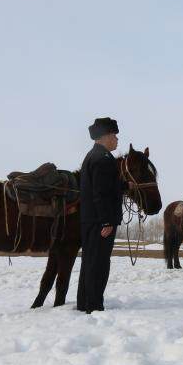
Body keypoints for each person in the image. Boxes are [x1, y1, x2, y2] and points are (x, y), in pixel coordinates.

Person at [77, 117, 133, 313]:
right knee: (98, 263)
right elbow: (99, 193)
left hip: (91, 219)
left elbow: (105, 186)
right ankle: (93, 305)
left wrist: (124, 186)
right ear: (106, 136)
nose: (117, 140)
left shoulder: (94, 156)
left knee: (90, 261)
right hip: (100, 221)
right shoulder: (103, 159)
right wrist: (106, 221)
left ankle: (85, 301)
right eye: (115, 136)